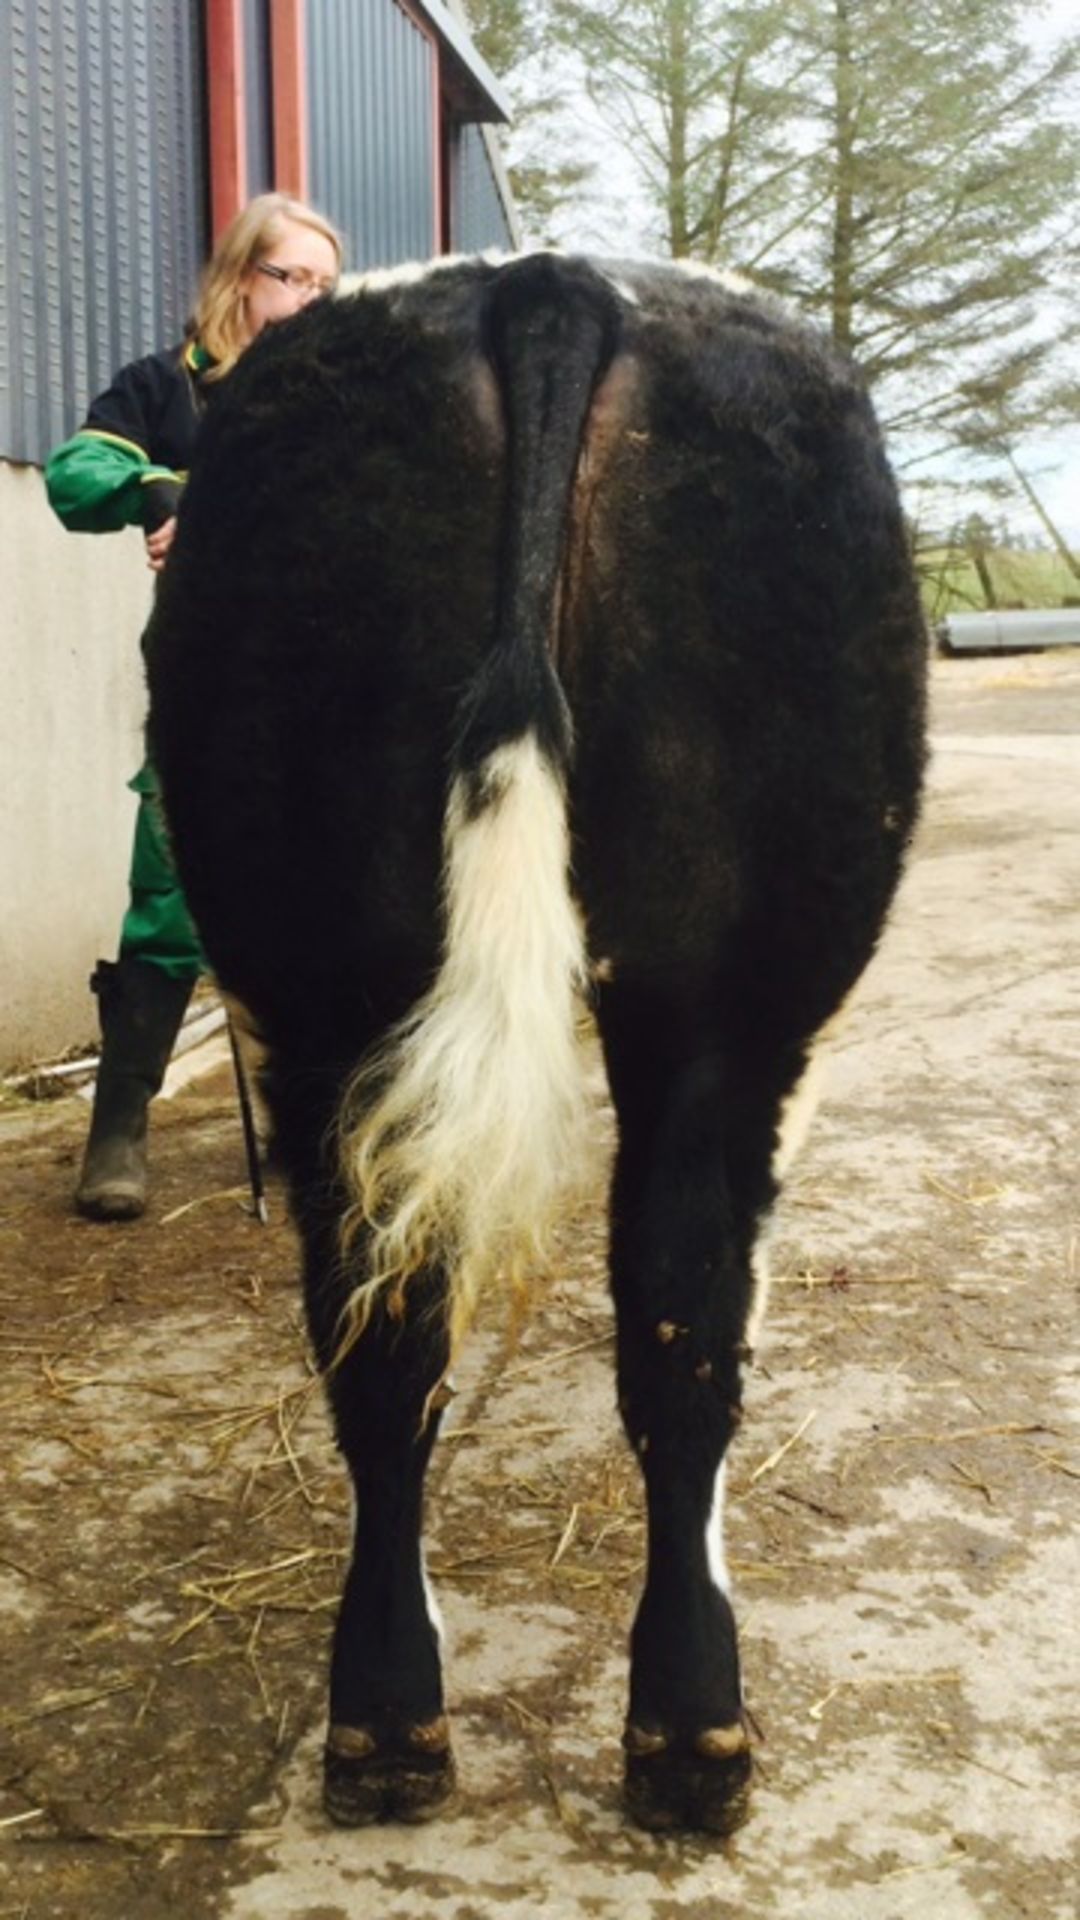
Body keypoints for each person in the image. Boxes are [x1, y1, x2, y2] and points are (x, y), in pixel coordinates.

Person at [46, 192, 342, 1220]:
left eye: (321, 282)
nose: (304, 298)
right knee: (170, 907)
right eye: (287, 276)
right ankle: (119, 1134)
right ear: (237, 277)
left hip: (320, 688)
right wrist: (165, 494)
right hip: (205, 693)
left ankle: (310, 1121)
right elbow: (78, 476)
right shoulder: (165, 389)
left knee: (315, 906)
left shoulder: (340, 402)